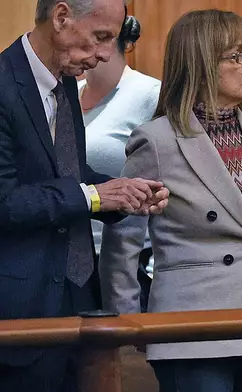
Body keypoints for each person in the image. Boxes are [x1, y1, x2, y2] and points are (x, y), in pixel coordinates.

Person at [99, 9, 242, 392]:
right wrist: (128, 323)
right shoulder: (156, 139)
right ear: (201, 62)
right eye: (237, 56)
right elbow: (123, 240)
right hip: (191, 324)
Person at [0, 0, 169, 391]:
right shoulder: (4, 84)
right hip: (20, 312)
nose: (108, 53)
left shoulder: (64, 86)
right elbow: (5, 200)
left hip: (80, 301)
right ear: (61, 18)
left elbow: (69, 174)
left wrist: (126, 193)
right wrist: (95, 196)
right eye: (101, 37)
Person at [78, 12, 161, 310]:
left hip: (131, 258)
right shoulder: (67, 94)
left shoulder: (150, 94)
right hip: (71, 252)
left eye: (102, 38)